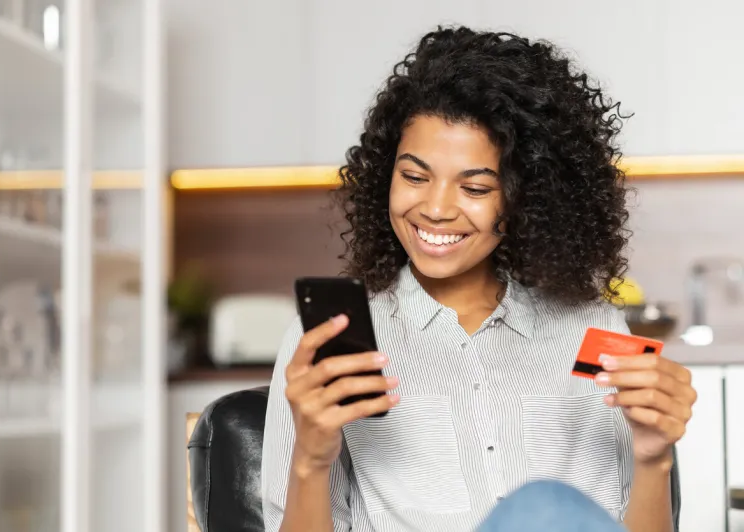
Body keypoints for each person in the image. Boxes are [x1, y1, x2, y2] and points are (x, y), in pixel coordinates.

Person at [261, 26, 697, 532]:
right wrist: (311, 461)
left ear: (523, 198)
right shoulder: (332, 342)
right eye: (415, 177)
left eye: (474, 186)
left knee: (542, 509)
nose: (437, 209)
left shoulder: (597, 333)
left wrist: (654, 459)